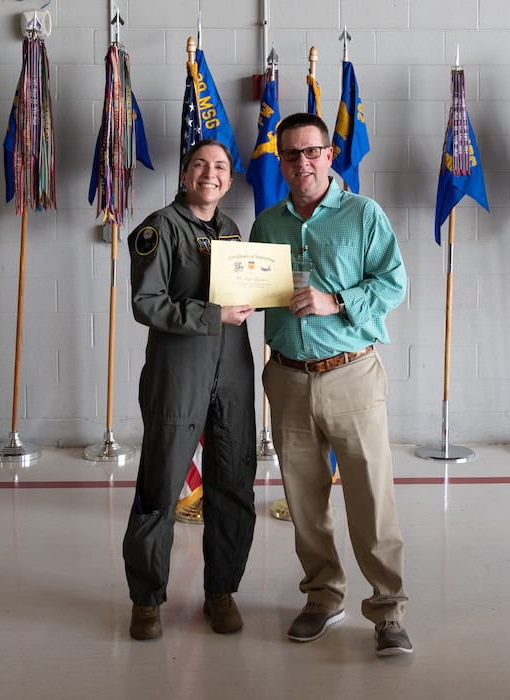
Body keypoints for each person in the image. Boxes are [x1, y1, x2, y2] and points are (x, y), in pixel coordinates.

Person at [250, 113, 412, 656]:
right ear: (281, 161)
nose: (302, 163)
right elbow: (256, 292)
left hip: (351, 374)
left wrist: (335, 300)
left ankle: (387, 610)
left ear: (329, 155)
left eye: (311, 152)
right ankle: (323, 596)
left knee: (371, 497)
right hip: (289, 379)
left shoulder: (363, 215)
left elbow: (394, 283)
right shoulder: (267, 224)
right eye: (291, 155)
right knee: (303, 500)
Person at [122, 139, 257, 640]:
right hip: (178, 374)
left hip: (234, 375)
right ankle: (146, 599)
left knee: (234, 487)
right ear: (184, 173)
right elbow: (146, 303)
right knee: (159, 488)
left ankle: (221, 591)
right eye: (200, 164)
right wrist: (211, 315)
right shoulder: (159, 228)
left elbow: (241, 294)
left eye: (220, 167)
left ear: (228, 178)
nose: (211, 174)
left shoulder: (231, 231)